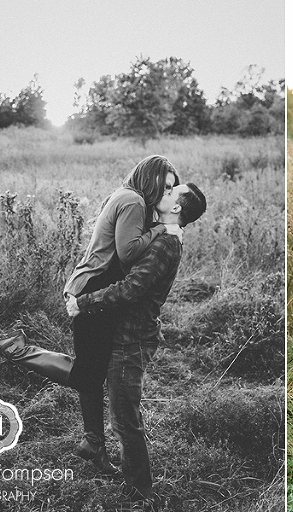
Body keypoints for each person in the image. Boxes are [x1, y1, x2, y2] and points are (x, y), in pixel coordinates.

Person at [0, 155, 181, 474]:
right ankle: (16, 349)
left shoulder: (126, 195)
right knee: (88, 374)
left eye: (172, 188)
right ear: (150, 179)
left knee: (92, 371)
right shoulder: (132, 201)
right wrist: (161, 229)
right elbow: (128, 252)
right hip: (93, 287)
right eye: (165, 185)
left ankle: (94, 446)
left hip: (93, 285)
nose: (167, 192)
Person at [66, 181, 207, 502]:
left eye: (172, 193)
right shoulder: (163, 234)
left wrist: (83, 302)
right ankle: (121, 468)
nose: (164, 191)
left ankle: (142, 490)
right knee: (121, 410)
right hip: (129, 332)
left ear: (176, 209)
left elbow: (130, 289)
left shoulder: (165, 245)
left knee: (124, 416)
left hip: (134, 338)